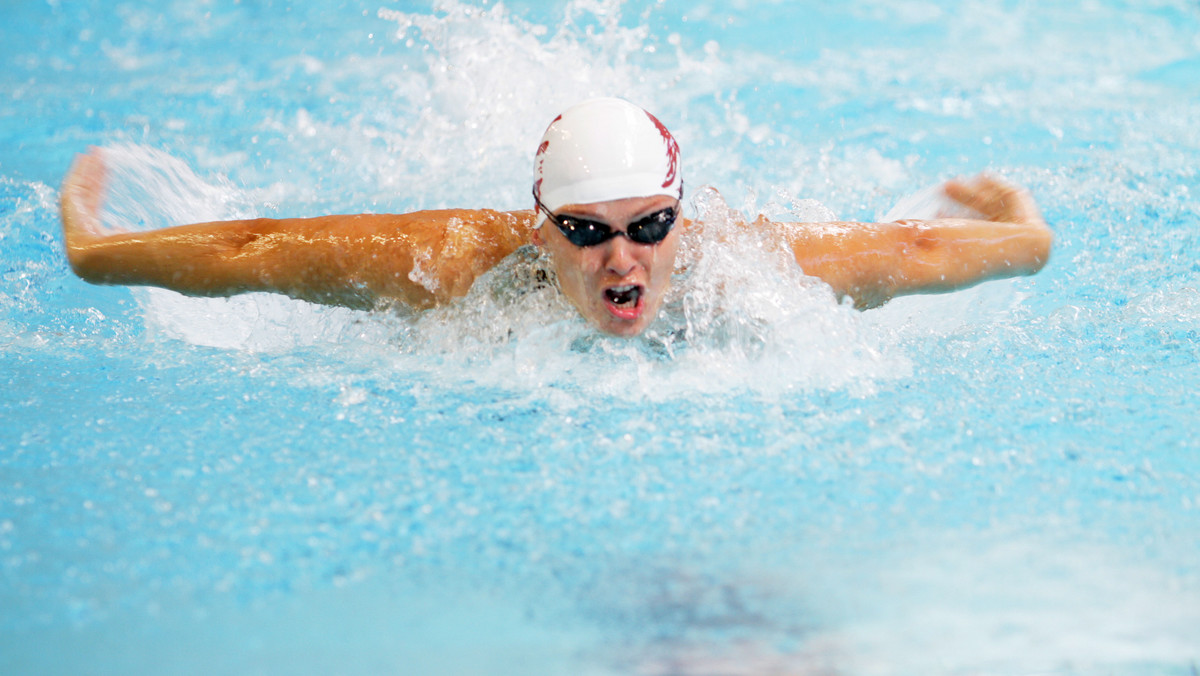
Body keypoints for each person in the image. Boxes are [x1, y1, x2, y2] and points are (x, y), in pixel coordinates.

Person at [60, 97, 1052, 338]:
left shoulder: (754, 268)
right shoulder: (446, 261)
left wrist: (1015, 213)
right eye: (586, 230)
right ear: (541, 228)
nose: (622, 256)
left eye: (648, 227)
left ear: (680, 218)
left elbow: (936, 249)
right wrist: (92, 251)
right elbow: (255, 247)